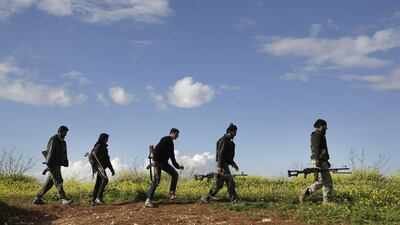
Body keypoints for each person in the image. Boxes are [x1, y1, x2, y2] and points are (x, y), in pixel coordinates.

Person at [201, 123, 239, 205]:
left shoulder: (230, 142)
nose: (235, 134)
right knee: (230, 181)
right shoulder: (223, 140)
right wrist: (219, 166)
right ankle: (234, 201)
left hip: (224, 164)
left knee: (219, 184)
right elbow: (220, 154)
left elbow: (229, 157)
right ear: (230, 131)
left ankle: (206, 198)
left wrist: (234, 165)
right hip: (222, 165)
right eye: (234, 132)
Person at [144, 128, 184, 208]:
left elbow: (172, 156)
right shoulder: (165, 139)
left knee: (171, 176)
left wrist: (177, 166)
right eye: (177, 134)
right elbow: (158, 149)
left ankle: (170, 194)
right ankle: (149, 200)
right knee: (159, 180)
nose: (178, 136)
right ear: (172, 133)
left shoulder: (171, 143)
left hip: (164, 163)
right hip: (159, 163)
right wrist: (154, 160)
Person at [32, 125, 72, 205]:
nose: (65, 135)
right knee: (59, 181)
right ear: (59, 131)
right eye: (64, 132)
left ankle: (37, 198)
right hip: (53, 164)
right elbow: (50, 152)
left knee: (49, 184)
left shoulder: (63, 142)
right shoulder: (54, 139)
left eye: (66, 133)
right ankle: (63, 198)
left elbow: (64, 153)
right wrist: (49, 164)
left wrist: (65, 162)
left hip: (58, 164)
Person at [299, 119, 333, 204]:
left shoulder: (320, 135)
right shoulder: (316, 135)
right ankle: (326, 201)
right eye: (325, 126)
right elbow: (316, 149)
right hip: (319, 161)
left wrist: (326, 161)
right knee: (327, 181)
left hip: (321, 160)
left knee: (322, 181)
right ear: (320, 126)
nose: (326, 128)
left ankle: (304, 193)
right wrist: (317, 161)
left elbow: (323, 150)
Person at [89, 133, 115, 206]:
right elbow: (92, 156)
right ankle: (98, 198)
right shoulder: (99, 146)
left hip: (102, 167)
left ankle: (93, 201)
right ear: (102, 139)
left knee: (98, 183)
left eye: (107, 139)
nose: (107, 140)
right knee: (105, 179)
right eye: (106, 139)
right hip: (99, 167)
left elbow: (107, 160)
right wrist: (95, 167)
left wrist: (111, 169)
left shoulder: (104, 147)